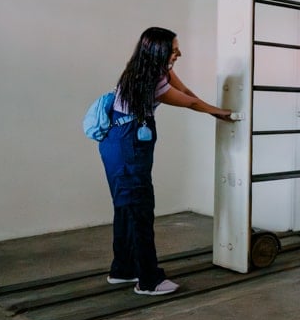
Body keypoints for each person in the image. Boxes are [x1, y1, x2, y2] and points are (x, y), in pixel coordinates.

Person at [99, 26, 233, 295]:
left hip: (120, 142)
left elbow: (188, 93)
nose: (179, 53)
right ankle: (149, 281)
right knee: (139, 208)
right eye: (174, 49)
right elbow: (189, 104)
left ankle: (123, 269)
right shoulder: (147, 79)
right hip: (126, 145)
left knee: (127, 207)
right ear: (158, 51)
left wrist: (213, 109)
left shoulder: (154, 70)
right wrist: (222, 113)